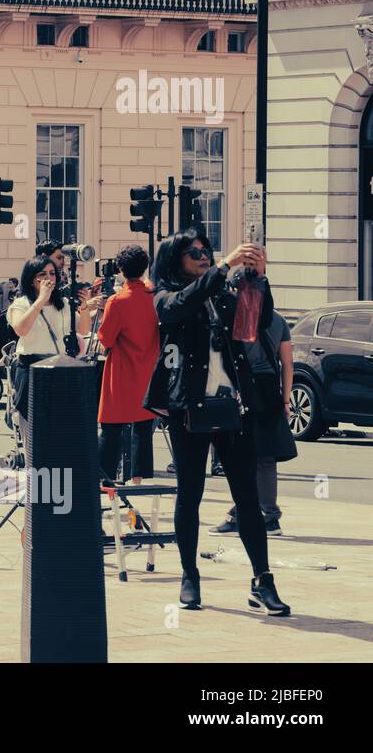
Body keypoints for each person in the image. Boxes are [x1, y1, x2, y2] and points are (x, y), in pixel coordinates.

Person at [144, 231, 289, 616]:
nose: (203, 257)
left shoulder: (222, 292)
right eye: (194, 253)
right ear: (176, 260)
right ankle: (189, 575)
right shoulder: (165, 295)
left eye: (206, 252)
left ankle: (263, 580)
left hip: (231, 405)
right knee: (189, 492)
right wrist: (224, 267)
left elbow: (255, 324)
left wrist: (257, 278)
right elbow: (177, 308)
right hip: (187, 405)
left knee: (247, 497)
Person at [212, 284, 295, 536]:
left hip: (245, 387)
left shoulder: (238, 319)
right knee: (266, 456)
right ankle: (267, 515)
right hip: (270, 388)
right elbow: (287, 364)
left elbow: (228, 359)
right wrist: (285, 400)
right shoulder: (279, 319)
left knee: (242, 454)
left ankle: (246, 512)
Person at [7, 255, 99, 427]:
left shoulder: (63, 304)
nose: (48, 279)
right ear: (31, 279)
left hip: (59, 368)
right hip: (31, 368)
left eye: (52, 273)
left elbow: (83, 329)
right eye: (42, 274)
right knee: (33, 428)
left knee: (58, 427)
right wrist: (41, 299)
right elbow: (21, 329)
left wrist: (84, 305)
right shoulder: (21, 304)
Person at [95, 245, 159, 486]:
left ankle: (106, 475)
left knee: (111, 425)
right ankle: (139, 475)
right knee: (143, 424)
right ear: (144, 268)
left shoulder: (117, 301)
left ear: (121, 269)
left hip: (122, 368)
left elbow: (106, 338)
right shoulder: (153, 295)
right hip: (147, 366)